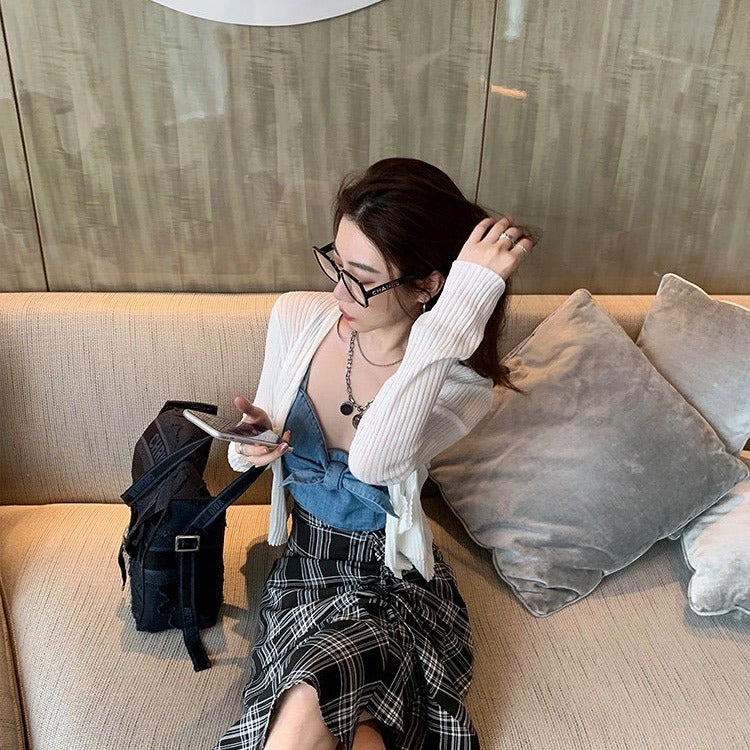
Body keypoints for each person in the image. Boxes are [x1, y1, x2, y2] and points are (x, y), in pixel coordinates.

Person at [212, 157, 537, 750]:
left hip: (392, 582)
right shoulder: (298, 317)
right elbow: (244, 460)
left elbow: (374, 463)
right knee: (351, 726)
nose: (338, 290)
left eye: (361, 277)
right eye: (336, 263)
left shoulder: (459, 386)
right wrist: (254, 443)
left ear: (428, 285)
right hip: (305, 570)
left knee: (303, 714)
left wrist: (448, 324)